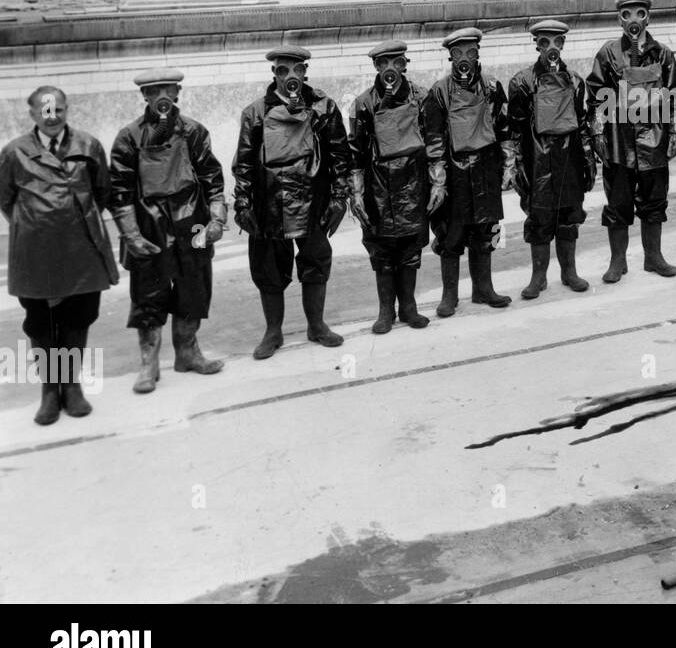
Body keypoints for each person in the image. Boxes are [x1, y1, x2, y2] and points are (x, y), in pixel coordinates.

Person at [0, 86, 119, 425]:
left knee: (78, 318)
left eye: (59, 110)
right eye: (45, 111)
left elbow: (102, 192)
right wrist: (34, 224)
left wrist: (74, 221)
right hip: (34, 253)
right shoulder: (13, 152)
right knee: (41, 323)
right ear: (33, 114)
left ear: (67, 110)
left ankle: (72, 386)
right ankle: (49, 391)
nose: (52, 118)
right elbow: (5, 199)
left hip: (81, 249)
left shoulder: (88, 145)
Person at [109, 69, 227, 394]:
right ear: (144, 96)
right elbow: (118, 193)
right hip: (150, 229)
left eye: (167, 88)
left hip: (192, 224)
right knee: (148, 301)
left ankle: (188, 352)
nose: (161, 95)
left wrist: (217, 218)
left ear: (177, 92)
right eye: (153, 90)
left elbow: (213, 180)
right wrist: (132, 235)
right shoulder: (129, 137)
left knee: (193, 293)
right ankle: (149, 365)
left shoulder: (194, 132)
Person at [233, 46, 351, 360]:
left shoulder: (324, 107)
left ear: (304, 71)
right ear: (274, 74)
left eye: (295, 70)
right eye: (283, 70)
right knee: (269, 269)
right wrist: (242, 203)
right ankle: (273, 332)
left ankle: (317, 326)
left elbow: (341, 157)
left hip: (312, 201)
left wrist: (340, 197)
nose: (290, 76)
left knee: (315, 263)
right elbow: (243, 163)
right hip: (270, 205)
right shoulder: (255, 113)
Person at [586, 0, 676, 281]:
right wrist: (597, 132)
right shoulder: (607, 54)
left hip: (654, 139)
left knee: (654, 201)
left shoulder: (664, 54)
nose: (633, 20)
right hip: (620, 141)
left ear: (648, 17)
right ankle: (618, 261)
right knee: (618, 202)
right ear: (619, 18)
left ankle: (654, 257)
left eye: (639, 13)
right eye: (627, 14)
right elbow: (595, 98)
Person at [348, 41, 438, 334]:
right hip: (378, 188)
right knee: (383, 251)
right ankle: (386, 311)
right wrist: (357, 192)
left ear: (404, 64)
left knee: (411, 248)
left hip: (414, 183)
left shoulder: (422, 97)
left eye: (396, 62)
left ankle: (409, 308)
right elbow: (357, 153)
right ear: (376, 67)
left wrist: (438, 181)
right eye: (383, 62)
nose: (390, 69)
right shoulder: (363, 104)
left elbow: (435, 141)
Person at [426, 27, 512, 315]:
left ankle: (483, 289)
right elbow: (434, 138)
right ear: (450, 56)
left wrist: (509, 164)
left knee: (486, 231)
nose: (465, 58)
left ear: (478, 54)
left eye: (470, 52)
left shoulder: (491, 86)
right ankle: (449, 295)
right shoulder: (439, 91)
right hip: (456, 174)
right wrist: (438, 181)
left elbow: (504, 129)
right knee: (451, 235)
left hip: (486, 169)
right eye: (458, 53)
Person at [508, 20, 596, 298]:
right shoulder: (521, 82)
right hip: (538, 162)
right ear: (536, 44)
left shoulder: (576, 81)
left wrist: (589, 159)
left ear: (564, 44)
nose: (551, 48)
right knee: (540, 218)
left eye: (557, 42)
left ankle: (569, 272)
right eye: (545, 42)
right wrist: (519, 165)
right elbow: (516, 129)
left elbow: (584, 125)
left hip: (569, 159)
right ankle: (538, 277)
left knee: (569, 216)